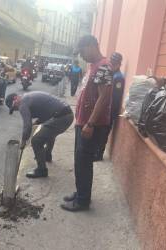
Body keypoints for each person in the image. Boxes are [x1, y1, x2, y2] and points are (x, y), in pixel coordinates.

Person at [60, 35, 114, 212]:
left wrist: (90, 124)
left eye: (82, 51)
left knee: (84, 162)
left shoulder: (104, 66)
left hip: (92, 125)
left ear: (91, 46)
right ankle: (80, 192)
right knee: (79, 161)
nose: (81, 56)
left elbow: (104, 98)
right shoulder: (93, 66)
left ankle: (83, 201)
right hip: (83, 122)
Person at [5, 91, 74, 178]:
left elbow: (27, 126)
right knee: (48, 132)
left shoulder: (23, 103)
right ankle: (47, 155)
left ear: (16, 98)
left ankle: (41, 170)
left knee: (36, 141)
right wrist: (37, 122)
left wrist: (23, 141)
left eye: (15, 107)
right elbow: (45, 113)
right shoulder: (28, 97)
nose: (16, 109)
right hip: (67, 115)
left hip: (62, 117)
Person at [93, 52, 125, 161]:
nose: (111, 64)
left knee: (104, 132)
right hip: (106, 109)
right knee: (100, 131)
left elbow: (115, 97)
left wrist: (110, 112)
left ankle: (99, 154)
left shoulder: (118, 77)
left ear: (119, 64)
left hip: (110, 110)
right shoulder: (112, 74)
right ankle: (96, 151)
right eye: (111, 62)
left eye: (114, 63)